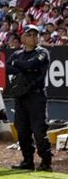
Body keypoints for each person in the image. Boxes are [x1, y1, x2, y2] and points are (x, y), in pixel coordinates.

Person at [6, 25, 53, 171]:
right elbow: (7, 67)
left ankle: (46, 162)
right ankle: (27, 160)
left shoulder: (42, 52)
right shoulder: (17, 54)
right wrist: (25, 67)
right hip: (21, 97)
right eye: (30, 34)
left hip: (36, 97)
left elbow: (32, 64)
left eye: (35, 35)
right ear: (23, 38)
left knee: (39, 131)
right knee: (22, 130)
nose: (33, 37)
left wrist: (22, 66)